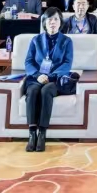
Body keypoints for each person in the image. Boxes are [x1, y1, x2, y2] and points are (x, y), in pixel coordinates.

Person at [22, 8, 74, 152]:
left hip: (56, 79)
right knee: (32, 91)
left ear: (60, 22)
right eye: (49, 19)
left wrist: (50, 76)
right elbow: (28, 61)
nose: (52, 22)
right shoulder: (36, 40)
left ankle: (42, 133)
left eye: (56, 19)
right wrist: (37, 75)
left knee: (46, 90)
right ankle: (32, 133)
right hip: (36, 78)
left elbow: (67, 63)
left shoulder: (67, 41)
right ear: (44, 22)